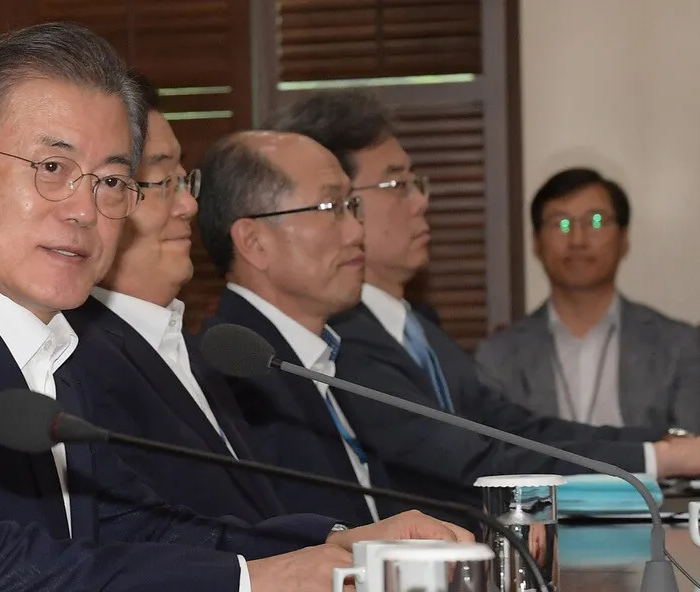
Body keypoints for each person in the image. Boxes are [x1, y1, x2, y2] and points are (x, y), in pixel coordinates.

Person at [0, 24, 459, 592]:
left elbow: (135, 524)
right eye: (52, 168)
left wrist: (341, 546)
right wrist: (253, 584)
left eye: (113, 181)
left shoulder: (55, 342)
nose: (85, 209)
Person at [62, 74, 464, 535]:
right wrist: (342, 547)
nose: (190, 205)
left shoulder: (203, 353)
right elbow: (149, 538)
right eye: (162, 181)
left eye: (183, 178)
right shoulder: (78, 363)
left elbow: (254, 520)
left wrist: (345, 543)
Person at [261, 89, 700, 507]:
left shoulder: (421, 330)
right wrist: (659, 458)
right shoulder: (341, 339)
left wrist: (660, 445)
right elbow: (475, 462)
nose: (420, 203)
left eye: (417, 184)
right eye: (397, 186)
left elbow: (519, 431)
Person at [193, 128, 418, 527]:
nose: (356, 232)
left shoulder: (333, 356)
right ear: (254, 242)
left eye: (351, 205)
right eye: (330, 206)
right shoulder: (232, 380)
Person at [476, 168, 700, 431]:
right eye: (561, 223)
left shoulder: (679, 347)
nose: (577, 239)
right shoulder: (498, 357)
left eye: (595, 221)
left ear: (624, 239)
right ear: (536, 243)